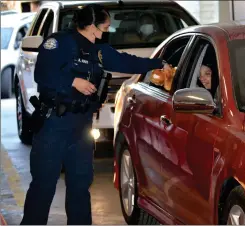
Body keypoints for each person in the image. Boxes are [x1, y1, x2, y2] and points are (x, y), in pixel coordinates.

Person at [20, 4, 172, 225]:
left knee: (80, 187)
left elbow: (126, 61)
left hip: (81, 127)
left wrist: (158, 63)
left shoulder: (97, 50)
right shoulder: (58, 43)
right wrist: (73, 82)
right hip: (54, 124)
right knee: (44, 186)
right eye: (105, 27)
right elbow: (42, 74)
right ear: (91, 25)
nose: (107, 31)